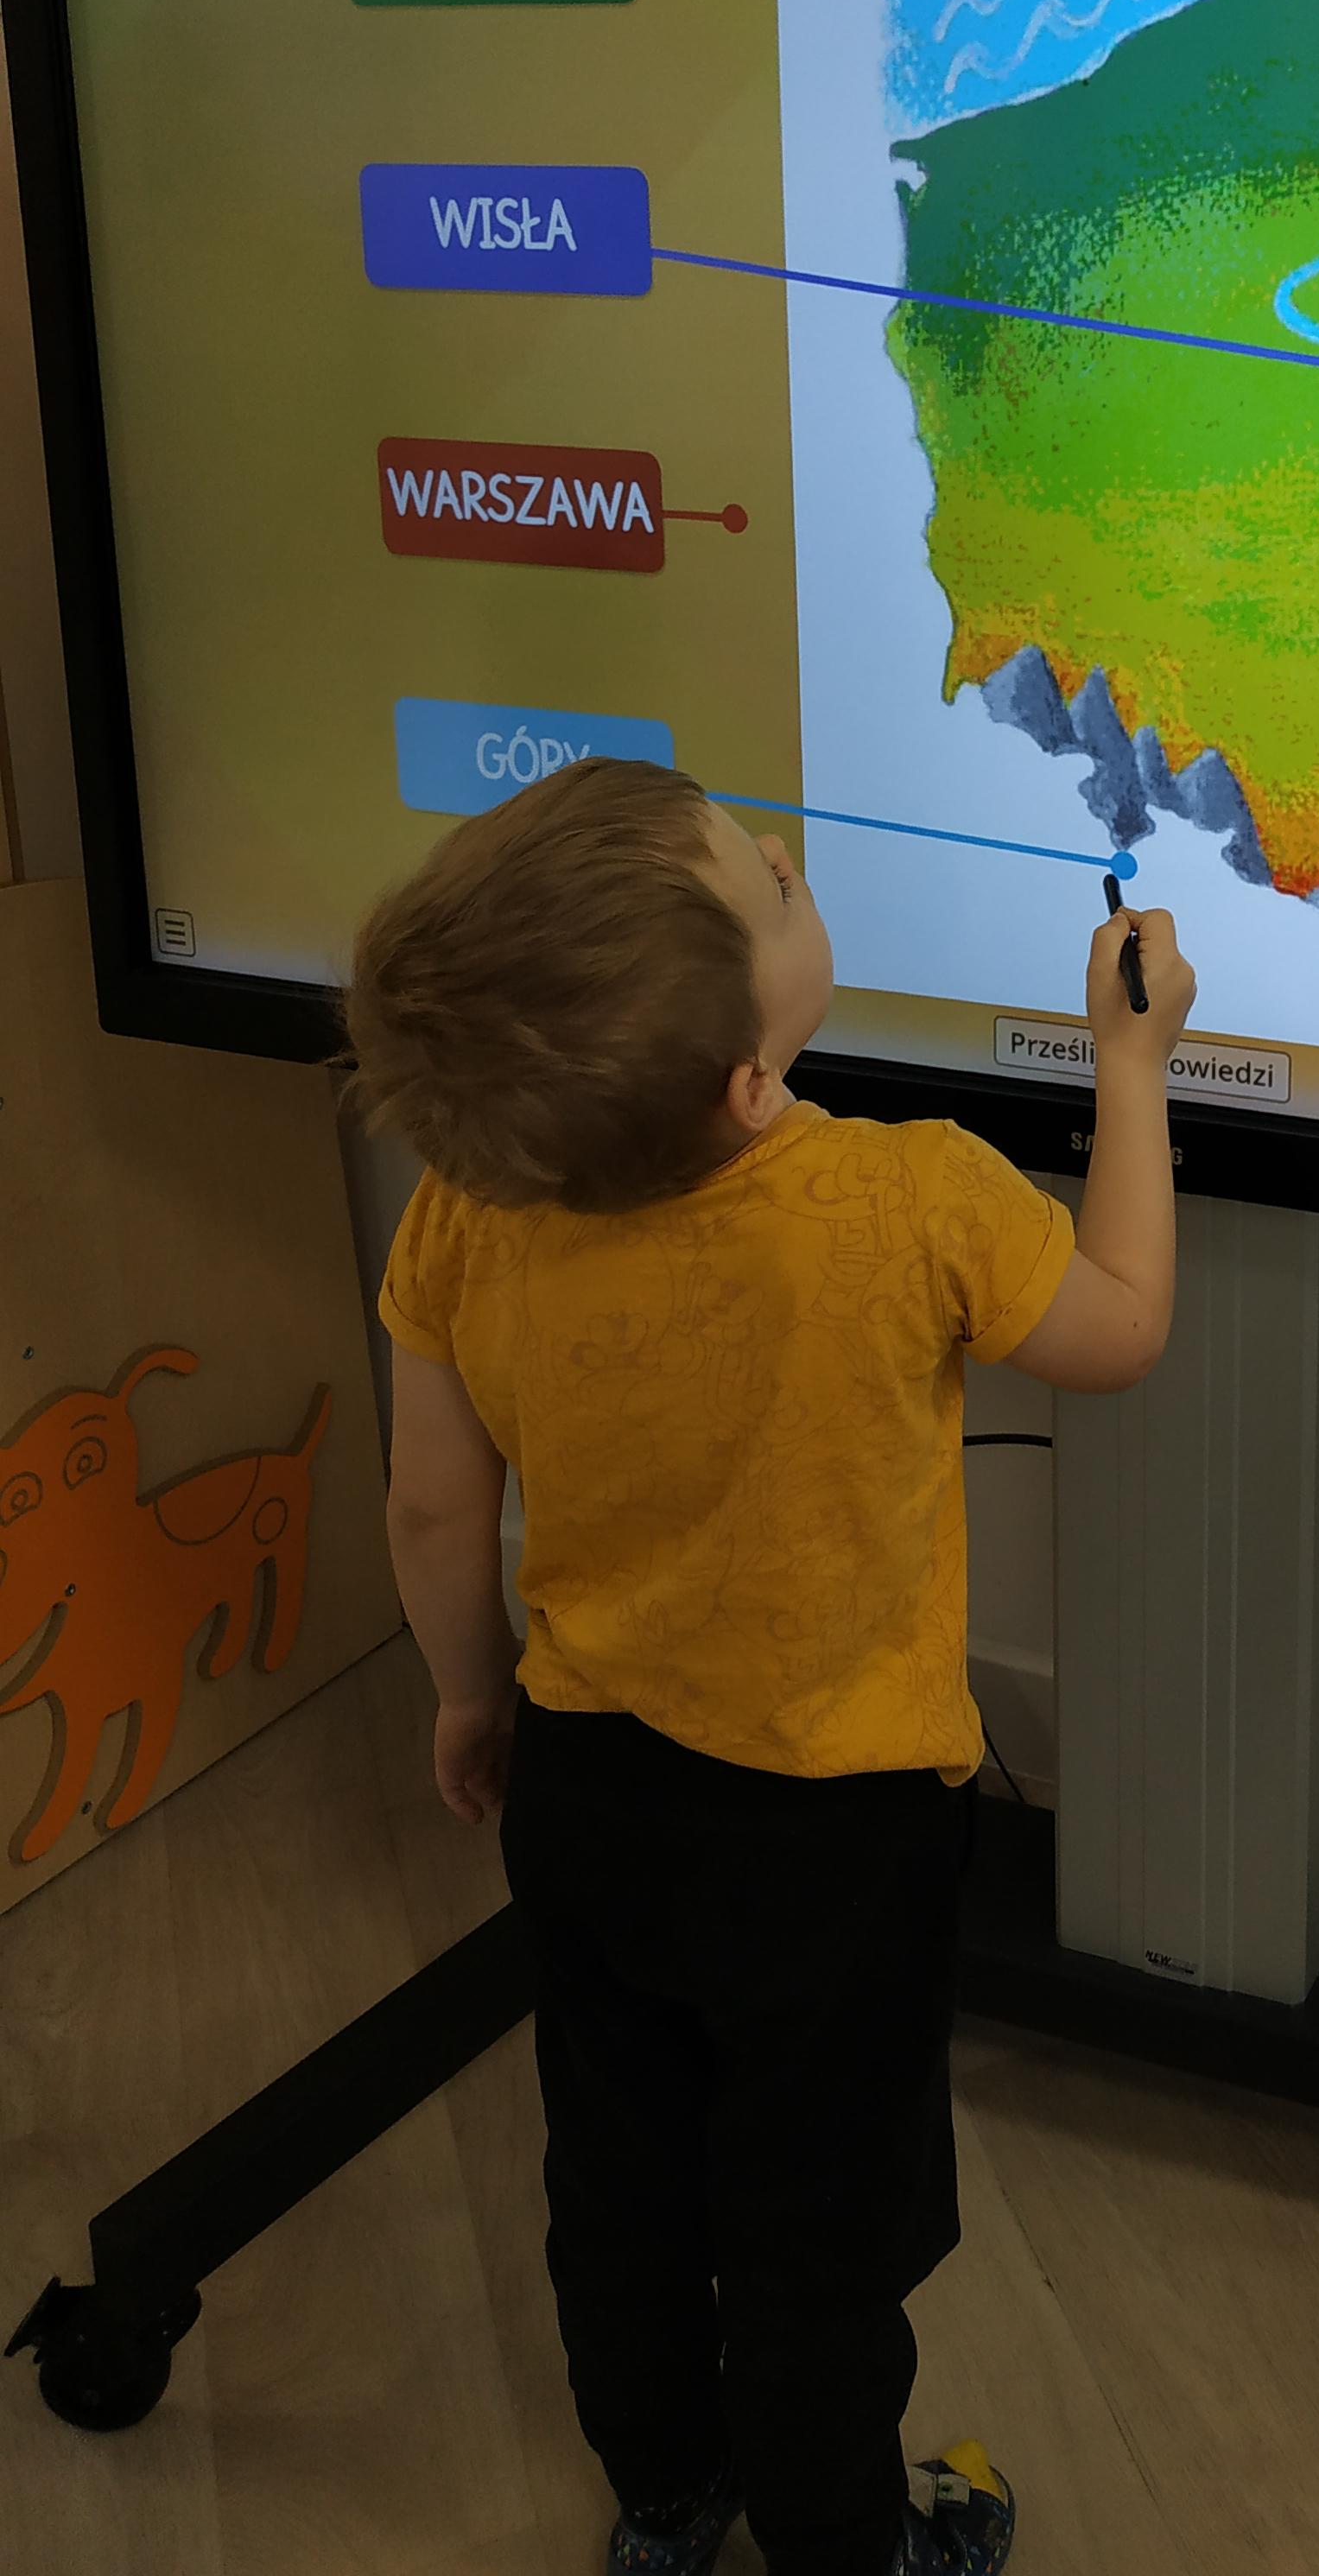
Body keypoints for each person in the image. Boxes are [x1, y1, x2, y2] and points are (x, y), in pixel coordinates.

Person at [343, 757, 1193, 2576]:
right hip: (835, 1842)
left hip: (588, 1792)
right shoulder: (914, 1197)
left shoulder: (468, 1207)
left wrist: (470, 1696)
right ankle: (845, 2547)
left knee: (622, 2184)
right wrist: (1130, 1068)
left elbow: (432, 1508)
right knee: (818, 2237)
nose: (791, 856)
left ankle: (666, 2498)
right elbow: (1120, 1325)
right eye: (771, 883)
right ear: (745, 1077)